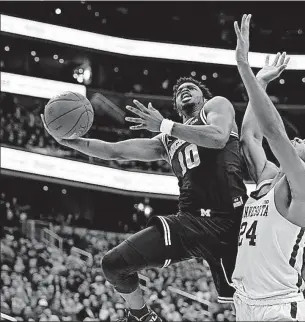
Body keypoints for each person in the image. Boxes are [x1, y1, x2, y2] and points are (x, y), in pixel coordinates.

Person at [41, 77, 247, 321]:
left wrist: (165, 125)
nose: (184, 91)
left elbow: (219, 137)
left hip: (232, 224)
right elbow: (113, 150)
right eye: (180, 91)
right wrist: (71, 142)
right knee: (113, 265)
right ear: (177, 107)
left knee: (247, 306)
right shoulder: (166, 141)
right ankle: (141, 316)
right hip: (189, 221)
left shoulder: (216, 106)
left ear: (203, 96)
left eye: (190, 88)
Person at [231, 14, 305, 321]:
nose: (300, 138)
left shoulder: (303, 187)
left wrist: (244, 67)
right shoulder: (270, 178)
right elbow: (249, 138)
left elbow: (274, 134)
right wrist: (260, 81)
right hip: (245, 303)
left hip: (280, 306)